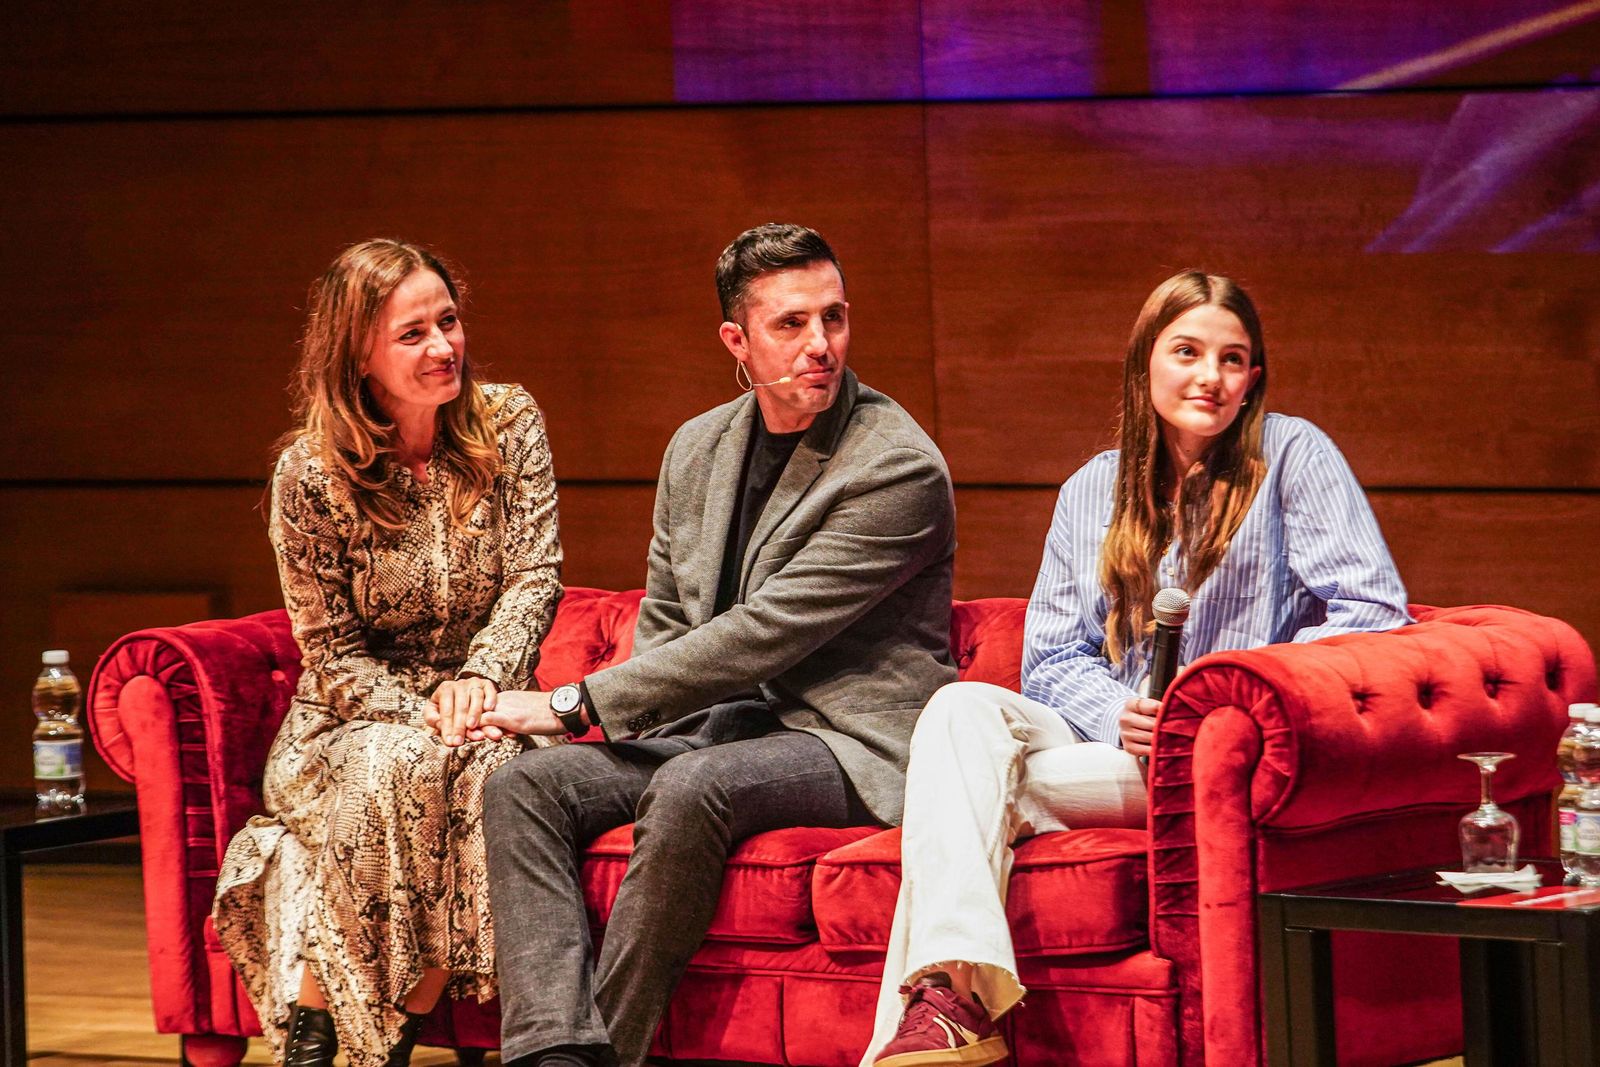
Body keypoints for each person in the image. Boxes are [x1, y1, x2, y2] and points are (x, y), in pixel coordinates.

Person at [863, 270, 1412, 1067]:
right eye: (1187, 351)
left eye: (1232, 359)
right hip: (1116, 743)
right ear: (1145, 362)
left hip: (1218, 759)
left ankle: (937, 1015)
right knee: (960, 711)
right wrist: (1121, 708)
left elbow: (1373, 612)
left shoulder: (1293, 455)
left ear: (1253, 376)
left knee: (963, 796)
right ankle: (951, 1009)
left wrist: (1216, 700)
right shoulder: (1093, 487)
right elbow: (1051, 656)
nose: (1210, 377)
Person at [452, 223, 957, 1067]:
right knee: (525, 785)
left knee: (692, 785)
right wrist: (605, 729)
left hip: (850, 738)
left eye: (833, 318)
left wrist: (573, 704)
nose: (820, 345)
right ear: (737, 339)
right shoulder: (696, 448)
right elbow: (672, 625)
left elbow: (760, 635)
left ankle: (609, 1051)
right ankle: (551, 1051)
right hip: (720, 726)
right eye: (790, 324)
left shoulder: (897, 466)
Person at [212, 239, 564, 1067]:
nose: (444, 346)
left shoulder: (510, 422)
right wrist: (429, 711)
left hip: (490, 701)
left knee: (499, 778)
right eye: (414, 333)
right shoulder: (309, 473)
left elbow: (534, 577)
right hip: (347, 722)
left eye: (449, 321)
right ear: (358, 352)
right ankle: (362, 1034)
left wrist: (479, 683)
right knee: (396, 765)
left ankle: (345, 1033)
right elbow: (331, 654)